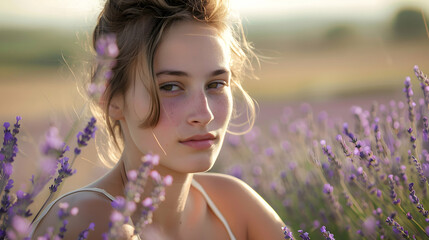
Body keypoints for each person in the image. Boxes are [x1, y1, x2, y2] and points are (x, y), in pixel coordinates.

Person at [32, 0, 285, 239]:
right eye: (171, 87)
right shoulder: (94, 220)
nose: (204, 114)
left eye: (216, 84)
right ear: (111, 98)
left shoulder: (234, 205)